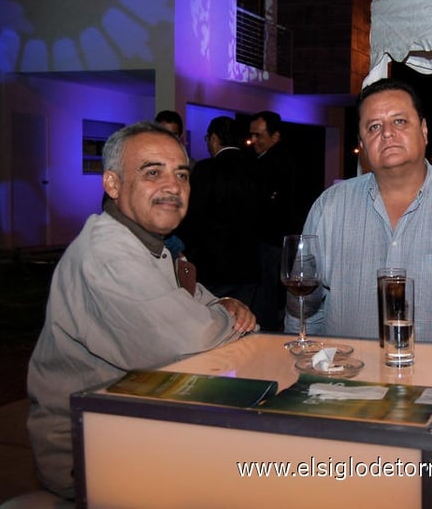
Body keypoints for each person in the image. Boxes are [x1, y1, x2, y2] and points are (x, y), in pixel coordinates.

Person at [27, 122, 257, 500]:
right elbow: (188, 341)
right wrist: (226, 314)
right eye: (153, 172)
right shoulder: (109, 254)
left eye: (181, 174)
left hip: (136, 425)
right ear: (113, 185)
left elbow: (199, 304)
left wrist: (220, 306)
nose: (173, 186)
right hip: (92, 448)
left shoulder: (151, 245)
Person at [285, 78, 432, 344]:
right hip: (347, 379)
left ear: (424, 130)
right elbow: (304, 305)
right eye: (374, 126)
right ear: (362, 143)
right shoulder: (330, 206)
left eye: (400, 121)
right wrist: (301, 360)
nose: (387, 133)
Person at [176, 116, 267, 324]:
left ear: (214, 138)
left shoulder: (205, 170)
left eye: (208, 138)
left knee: (213, 326)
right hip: (248, 265)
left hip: (211, 268)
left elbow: (192, 216)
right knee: (244, 323)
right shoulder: (256, 167)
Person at [249, 111, 299, 330]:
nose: (254, 141)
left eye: (259, 135)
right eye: (252, 135)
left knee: (268, 296)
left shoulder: (275, 163)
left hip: (273, 240)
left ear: (275, 136)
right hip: (277, 239)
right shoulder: (268, 160)